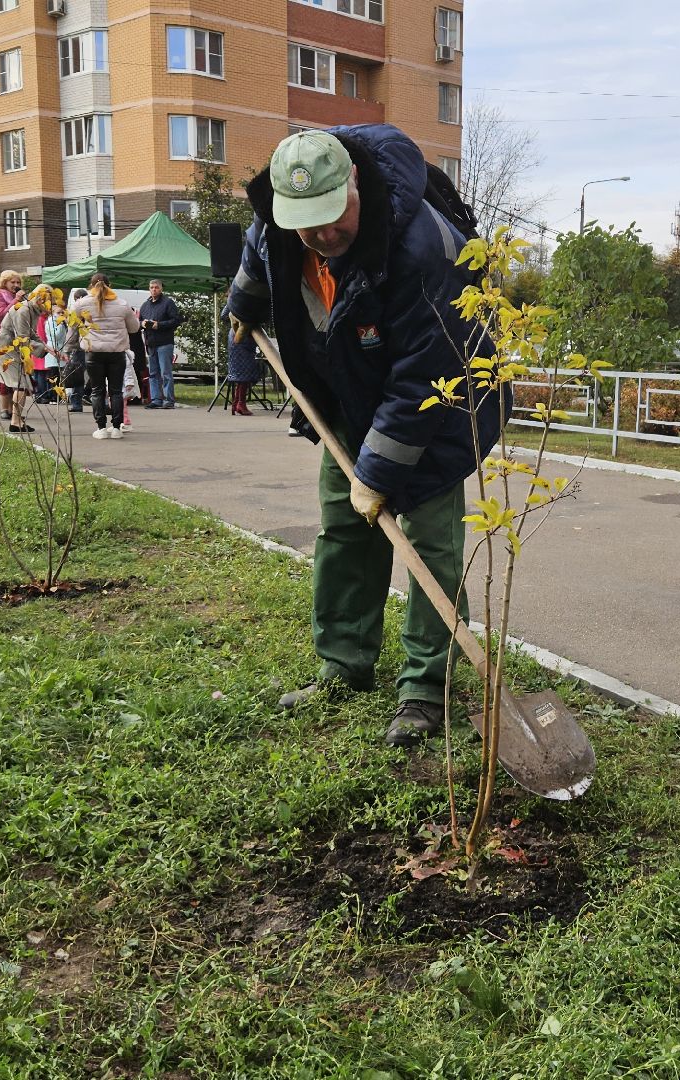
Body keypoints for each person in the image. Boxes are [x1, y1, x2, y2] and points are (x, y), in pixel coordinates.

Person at [224, 125, 500, 747]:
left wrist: (377, 472)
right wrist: (244, 301)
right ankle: (344, 664)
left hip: (439, 403)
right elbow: (258, 257)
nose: (321, 238)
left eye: (331, 218)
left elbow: (425, 374)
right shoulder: (279, 222)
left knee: (427, 547)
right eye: (306, 224)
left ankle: (426, 690)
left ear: (353, 182)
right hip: (349, 392)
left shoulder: (425, 247)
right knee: (344, 529)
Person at [71, 273, 141, 438]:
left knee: (97, 390)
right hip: (116, 352)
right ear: (110, 285)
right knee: (116, 391)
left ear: (91, 285)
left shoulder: (81, 304)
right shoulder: (122, 304)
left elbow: (72, 325)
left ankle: (101, 428)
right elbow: (134, 328)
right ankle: (116, 428)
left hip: (93, 352)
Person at [0, 285, 53, 434]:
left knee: (22, 384)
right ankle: (15, 422)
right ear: (39, 298)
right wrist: (43, 348)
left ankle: (16, 420)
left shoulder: (33, 310)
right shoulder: (24, 310)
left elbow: (31, 334)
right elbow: (22, 338)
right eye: (46, 299)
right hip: (7, 346)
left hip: (14, 346)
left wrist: (46, 347)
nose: (48, 303)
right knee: (20, 384)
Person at [137, 279, 184, 408]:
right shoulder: (145, 305)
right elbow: (139, 321)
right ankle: (156, 399)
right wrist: (142, 324)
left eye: (156, 287)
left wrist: (159, 325)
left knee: (165, 373)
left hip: (164, 342)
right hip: (151, 342)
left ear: (161, 288)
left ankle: (169, 400)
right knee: (153, 373)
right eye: (151, 287)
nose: (153, 289)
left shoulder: (168, 303)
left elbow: (176, 320)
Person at [0, 271, 24, 420]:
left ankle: (13, 410)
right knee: (4, 372)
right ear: (4, 283)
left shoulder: (18, 298)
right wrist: (16, 301)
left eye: (18, 283)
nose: (16, 285)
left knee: (16, 375)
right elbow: (1, 313)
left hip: (15, 339)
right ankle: (5, 408)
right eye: (12, 282)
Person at [225, 320, 262, 416]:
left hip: (235, 335)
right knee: (244, 373)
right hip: (242, 337)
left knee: (241, 374)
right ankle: (240, 404)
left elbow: (224, 315)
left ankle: (237, 403)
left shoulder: (232, 304)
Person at [61, 288, 89, 413]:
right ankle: (83, 399)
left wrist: (68, 348)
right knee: (82, 375)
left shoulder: (76, 312)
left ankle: (78, 402)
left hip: (77, 347)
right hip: (84, 347)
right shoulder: (85, 312)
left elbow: (71, 334)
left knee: (77, 376)